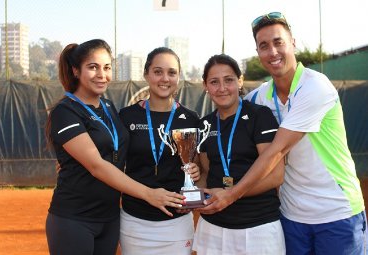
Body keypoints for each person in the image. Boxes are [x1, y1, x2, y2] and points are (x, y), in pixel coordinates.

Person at [200, 12, 367, 255]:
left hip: (336, 212)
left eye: (278, 42)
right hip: (291, 215)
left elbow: (277, 150)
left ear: (293, 43)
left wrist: (231, 194)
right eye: (264, 46)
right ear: (258, 52)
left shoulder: (315, 86)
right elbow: (230, 113)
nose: (272, 52)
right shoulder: (258, 97)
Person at [45, 39, 185, 255]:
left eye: (107, 67)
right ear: (75, 71)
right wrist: (149, 194)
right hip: (74, 218)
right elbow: (97, 166)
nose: (102, 74)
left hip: (110, 218)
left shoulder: (108, 106)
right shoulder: (65, 111)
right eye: (93, 67)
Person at [193, 54, 285, 254]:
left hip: (257, 226)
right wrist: (196, 192)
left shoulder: (260, 116)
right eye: (214, 82)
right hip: (214, 225)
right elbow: (207, 173)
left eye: (229, 80)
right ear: (205, 86)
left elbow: (276, 176)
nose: (222, 88)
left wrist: (230, 194)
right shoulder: (205, 124)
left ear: (240, 81)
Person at [118, 47, 201, 255]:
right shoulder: (127, 116)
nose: (165, 78)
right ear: (146, 74)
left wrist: (197, 172)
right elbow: (112, 165)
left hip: (177, 222)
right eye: (158, 71)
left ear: (178, 77)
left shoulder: (191, 119)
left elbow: (199, 164)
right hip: (134, 221)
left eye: (172, 72)